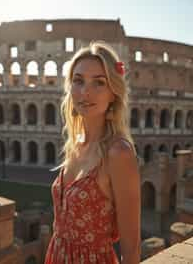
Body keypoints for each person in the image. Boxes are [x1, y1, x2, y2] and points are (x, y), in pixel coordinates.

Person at [44, 41, 141, 264]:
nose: (85, 92)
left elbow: (132, 247)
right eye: (78, 81)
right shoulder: (75, 143)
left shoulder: (118, 153)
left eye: (99, 83)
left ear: (113, 94)